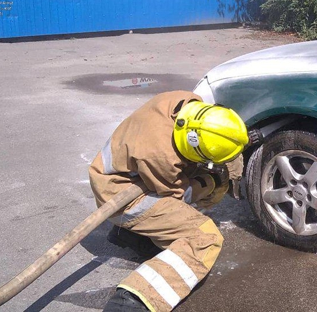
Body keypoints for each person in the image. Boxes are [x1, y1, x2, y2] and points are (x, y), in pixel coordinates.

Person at [89, 90, 249, 311]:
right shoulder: (159, 157)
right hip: (119, 197)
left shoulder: (185, 101)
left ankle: (136, 234)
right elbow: (179, 197)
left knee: (202, 176)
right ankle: (133, 300)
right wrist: (210, 182)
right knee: (204, 237)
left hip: (132, 173)